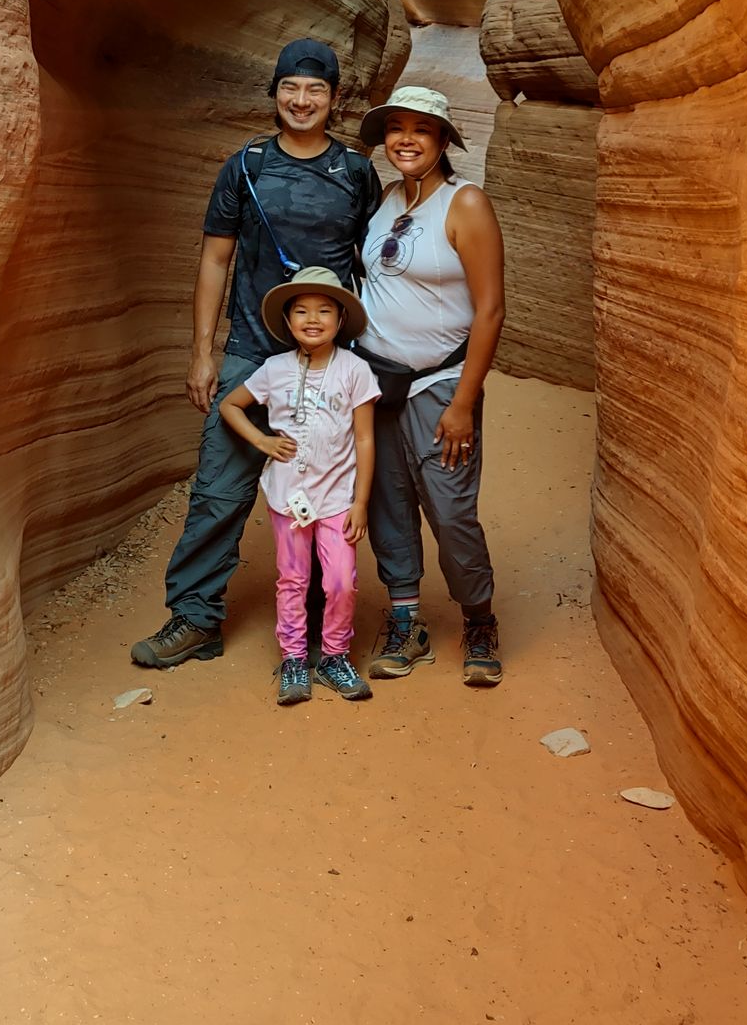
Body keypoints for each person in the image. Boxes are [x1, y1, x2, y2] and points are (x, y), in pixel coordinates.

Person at [131, 37, 383, 669]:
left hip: (330, 359)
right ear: (275, 94)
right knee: (219, 490)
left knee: (329, 487)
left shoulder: (355, 173)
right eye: (290, 89)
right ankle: (195, 618)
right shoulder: (244, 166)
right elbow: (216, 259)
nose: (302, 101)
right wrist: (202, 351)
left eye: (316, 91)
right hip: (250, 350)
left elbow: (373, 264)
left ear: (335, 100)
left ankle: (326, 628)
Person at [355, 85, 508, 686]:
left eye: (421, 129)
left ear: (444, 139)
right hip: (378, 382)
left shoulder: (465, 203)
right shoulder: (388, 200)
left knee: (450, 510)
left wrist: (465, 401)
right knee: (389, 502)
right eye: (396, 128)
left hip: (441, 384)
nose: (406, 140)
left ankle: (479, 620)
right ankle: (406, 620)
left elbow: (491, 309)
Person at [221, 269, 381, 707]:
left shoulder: (356, 370)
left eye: (324, 310)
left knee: (341, 582)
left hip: (336, 500)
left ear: (341, 317)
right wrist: (261, 441)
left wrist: (362, 502)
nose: (313, 319)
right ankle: (294, 657)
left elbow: (365, 437)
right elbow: (230, 405)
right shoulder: (274, 369)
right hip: (287, 499)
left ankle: (334, 655)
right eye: (302, 311)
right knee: (293, 578)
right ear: (288, 321)